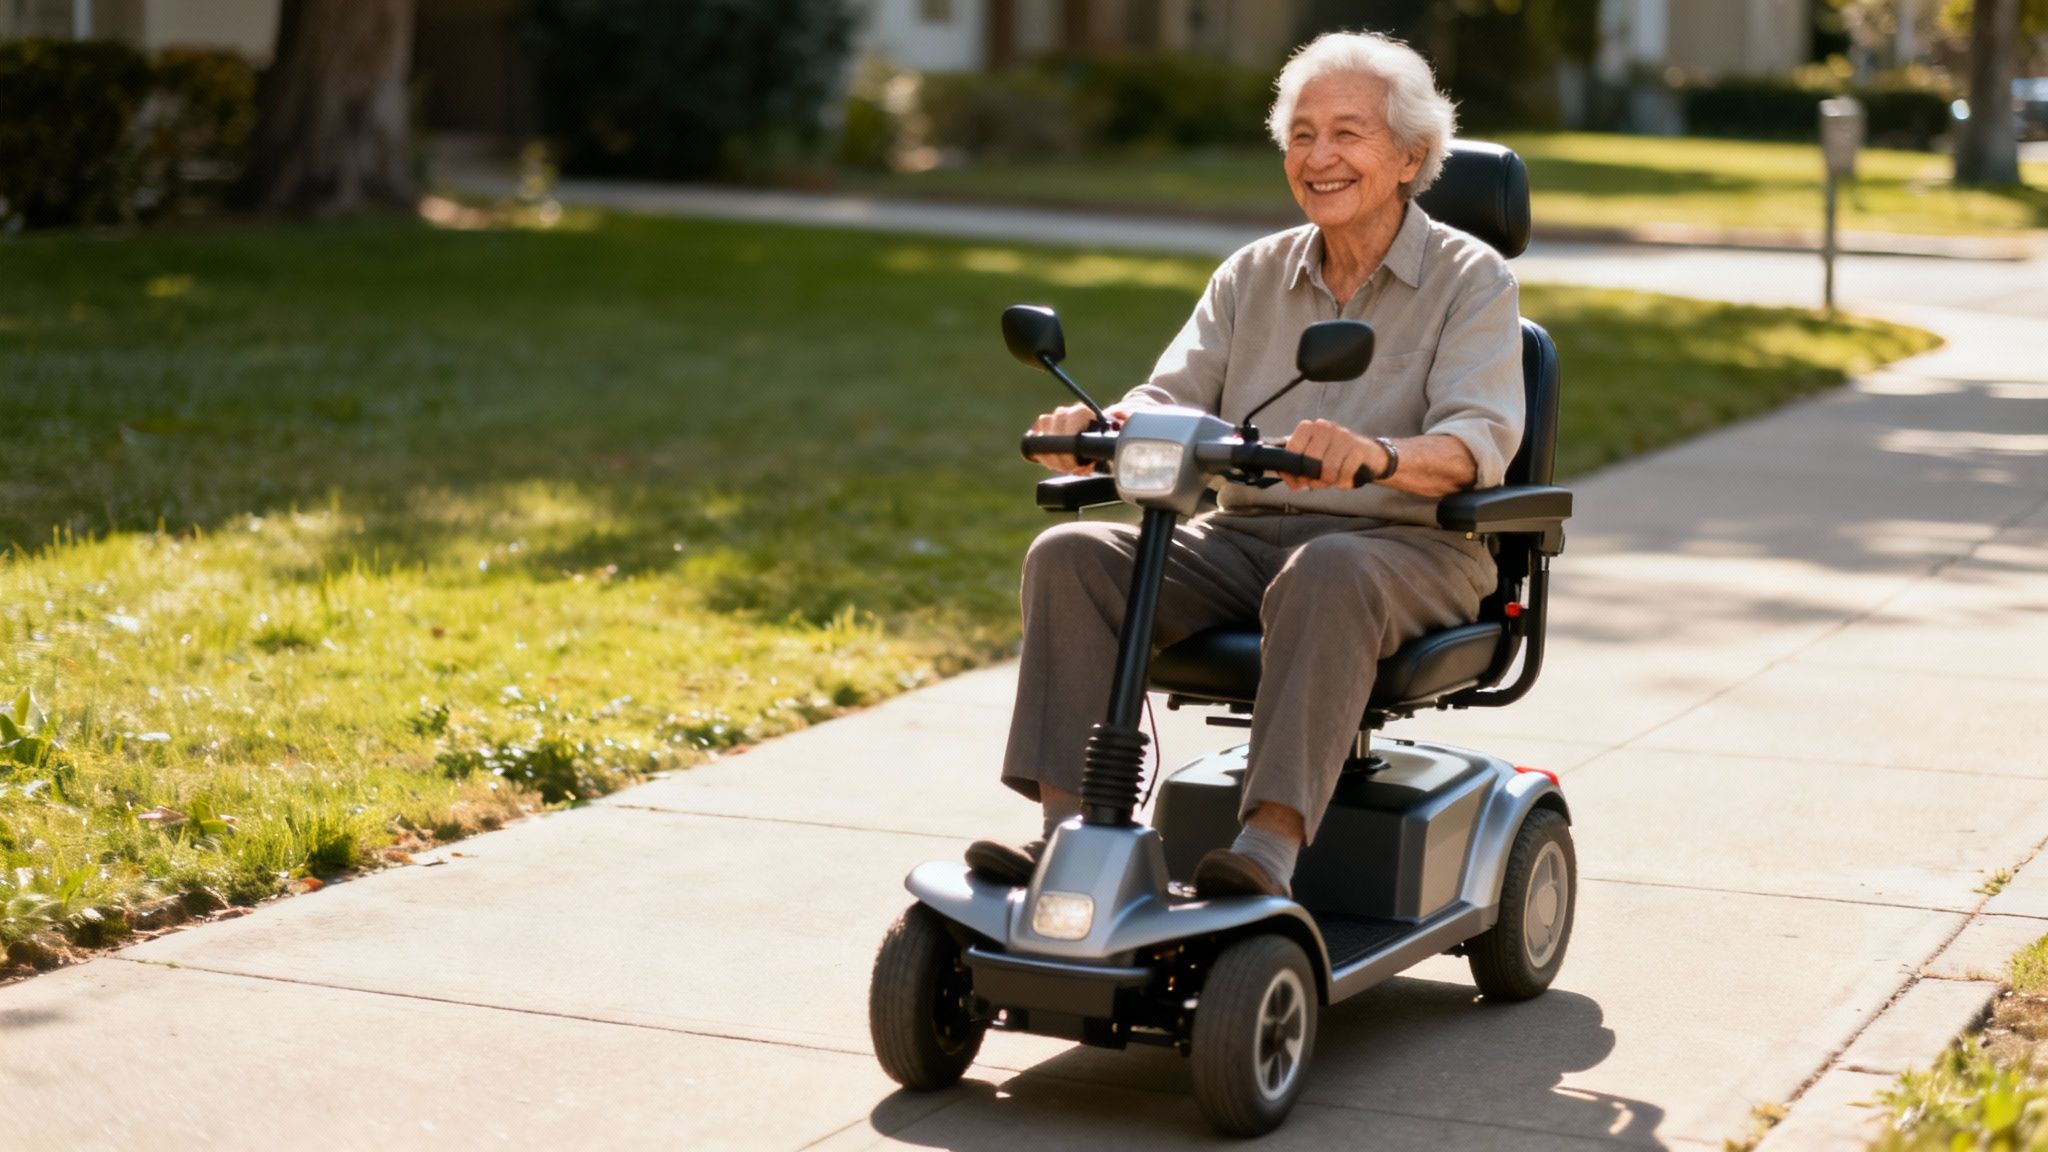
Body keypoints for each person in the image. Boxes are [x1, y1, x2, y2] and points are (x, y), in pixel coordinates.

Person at [966, 31, 1526, 898]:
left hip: (1410, 550)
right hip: (1245, 539)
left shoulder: (1472, 280)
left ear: (1413, 155)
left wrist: (1374, 456)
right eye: (1302, 135)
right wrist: (1104, 422)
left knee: (1329, 569)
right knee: (1071, 558)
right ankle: (1070, 835)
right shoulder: (1251, 274)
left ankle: (1266, 852)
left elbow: (1473, 447)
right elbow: (1171, 396)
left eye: (1348, 133)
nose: (1319, 156)